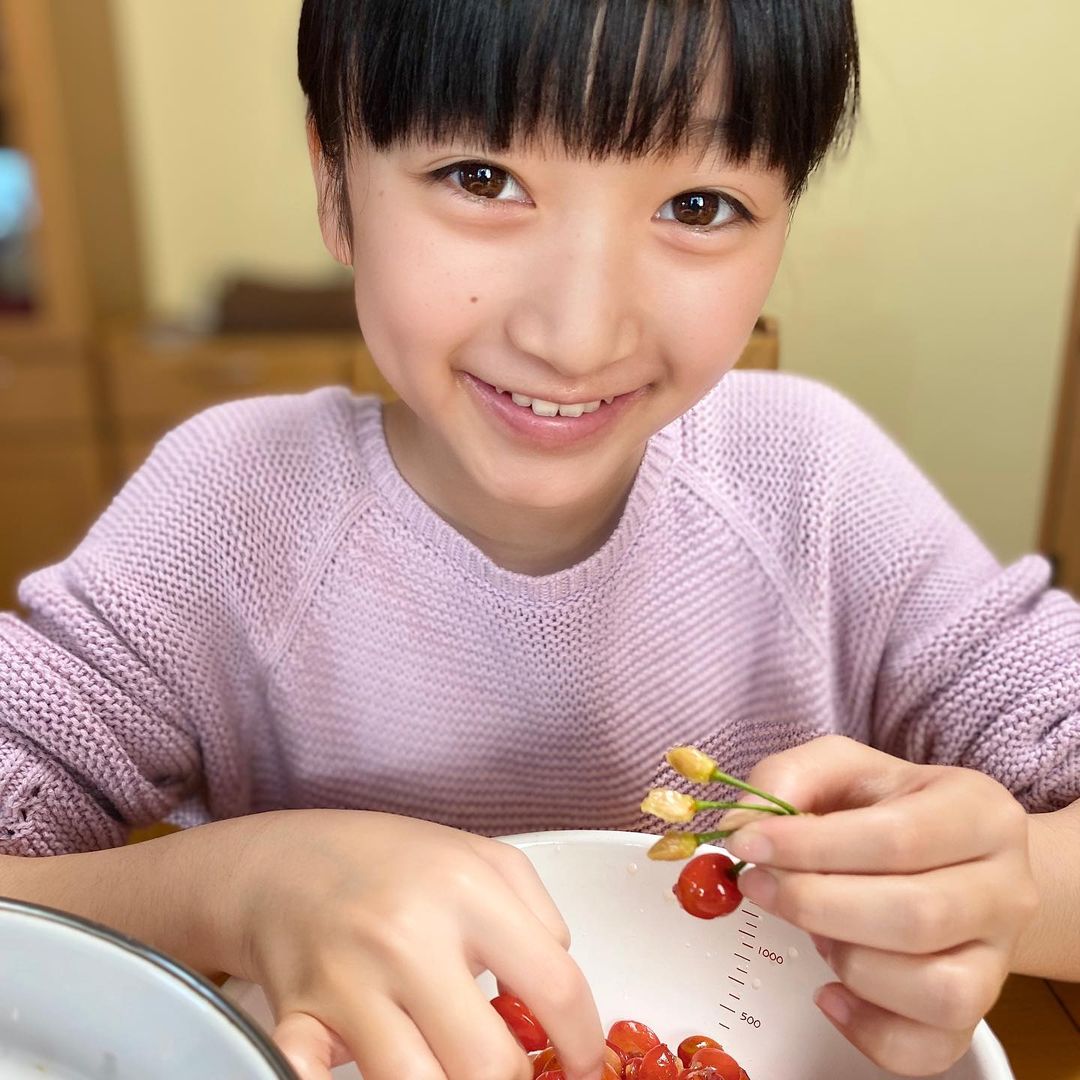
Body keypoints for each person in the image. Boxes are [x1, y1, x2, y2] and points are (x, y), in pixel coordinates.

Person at [0, 2, 1076, 1078]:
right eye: (482, 178)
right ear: (337, 185)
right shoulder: (225, 512)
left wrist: (1001, 885)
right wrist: (238, 888)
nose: (577, 334)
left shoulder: (822, 492)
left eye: (699, 204)